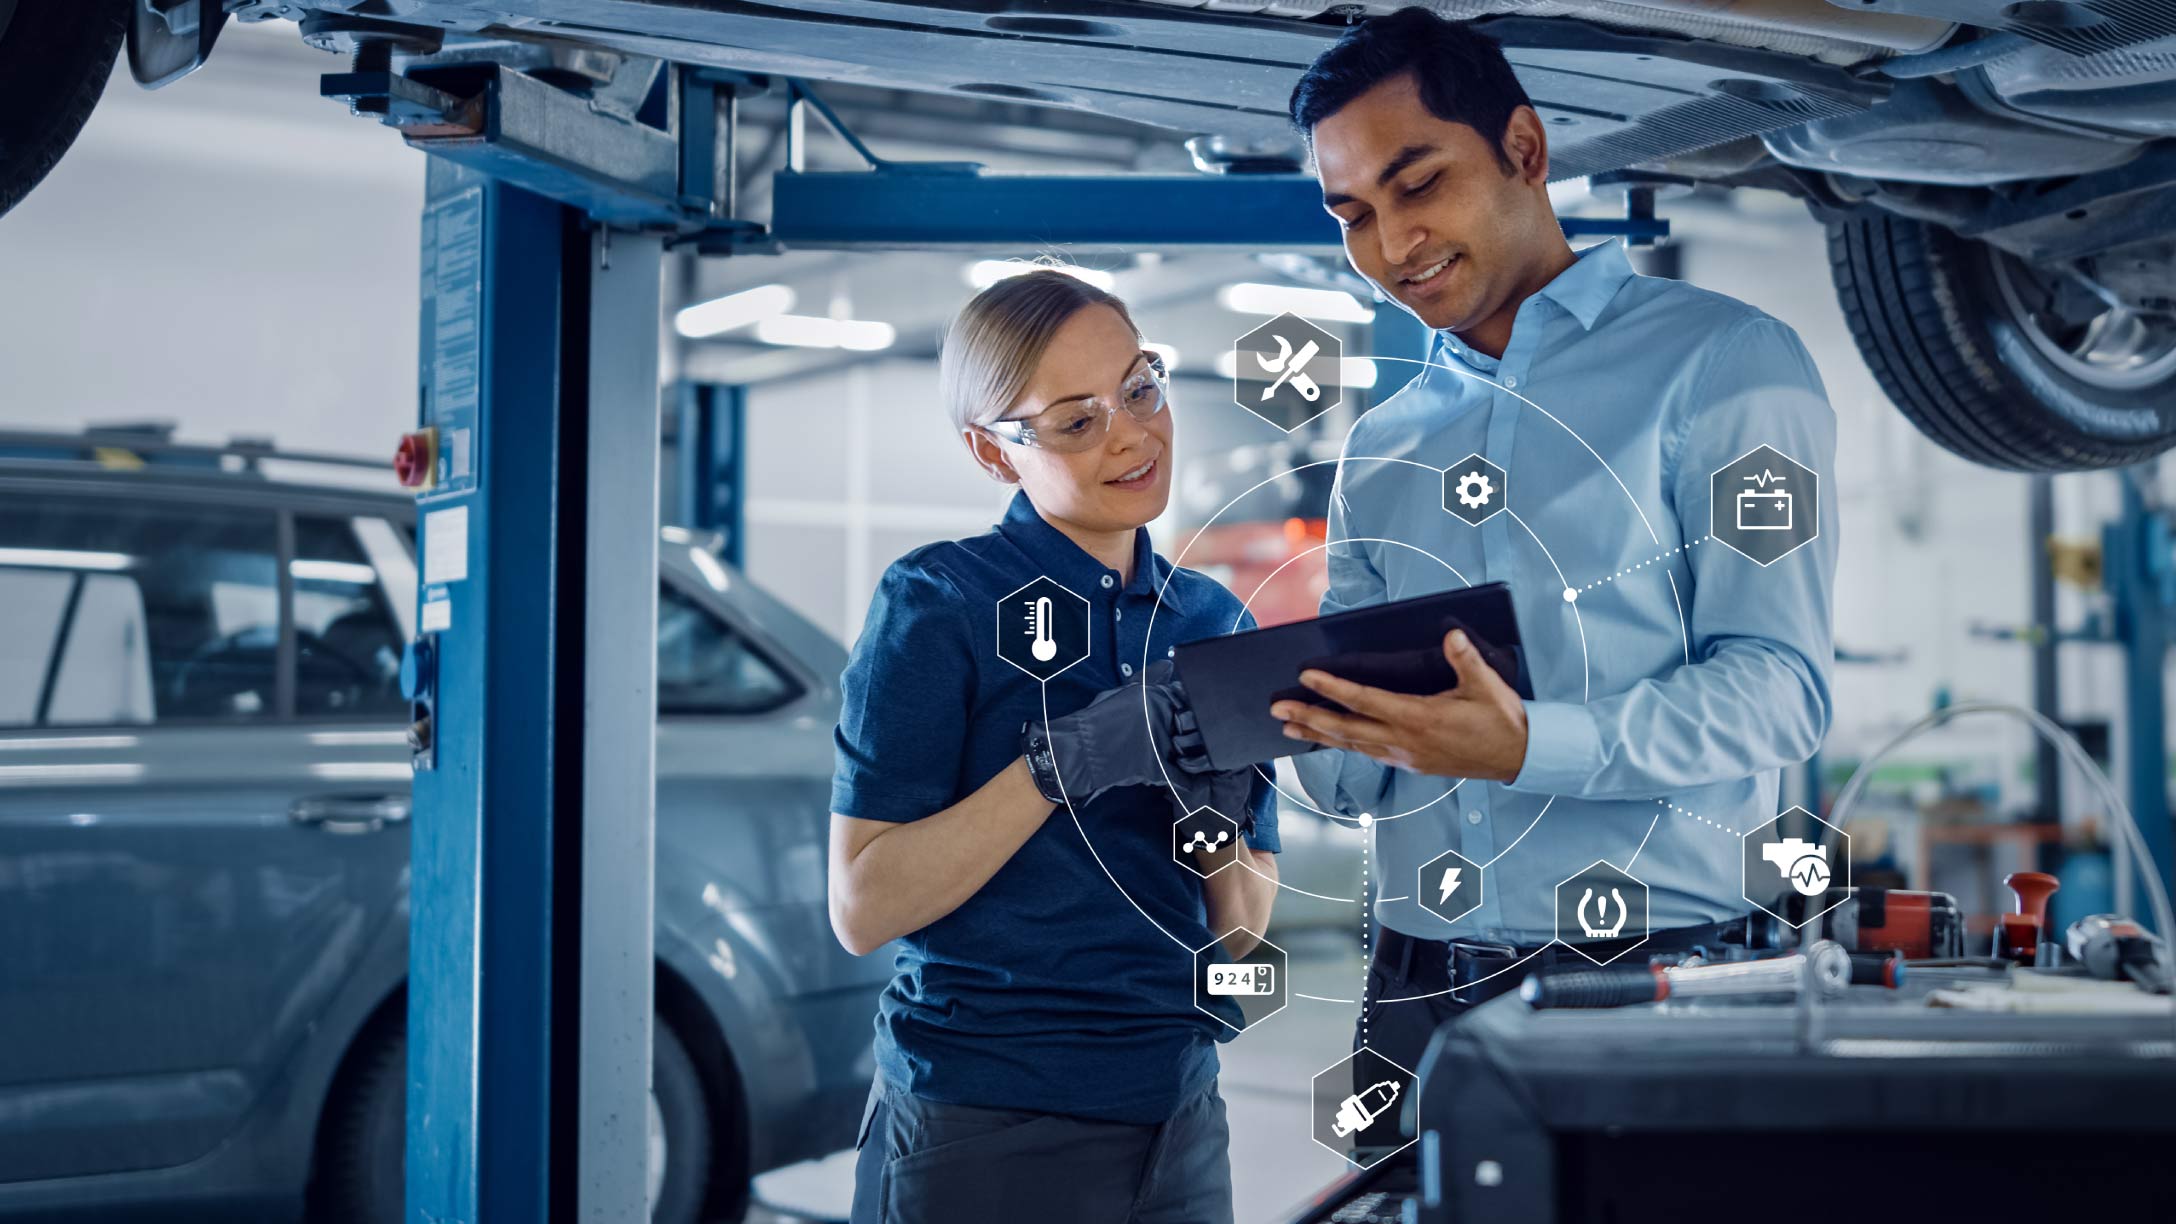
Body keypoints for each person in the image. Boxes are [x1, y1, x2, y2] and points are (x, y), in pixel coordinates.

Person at [1275, 9, 1838, 1076]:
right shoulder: (1382, 445)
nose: (1390, 246)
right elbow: (1358, 765)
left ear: (1524, 150)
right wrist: (1279, 738)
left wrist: (1529, 744)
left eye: (1418, 184)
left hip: (1649, 977)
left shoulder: (1727, 366)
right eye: (1352, 214)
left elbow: (1781, 689)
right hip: (1415, 983)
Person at [829, 268, 1281, 1224]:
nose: (1131, 434)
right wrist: (1060, 763)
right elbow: (863, 907)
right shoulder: (940, 603)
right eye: (1077, 421)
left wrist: (1213, 819)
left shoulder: (1212, 623)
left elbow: (1240, 929)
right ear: (994, 452)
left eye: (1140, 389)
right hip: (983, 1122)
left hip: (1180, 1119)